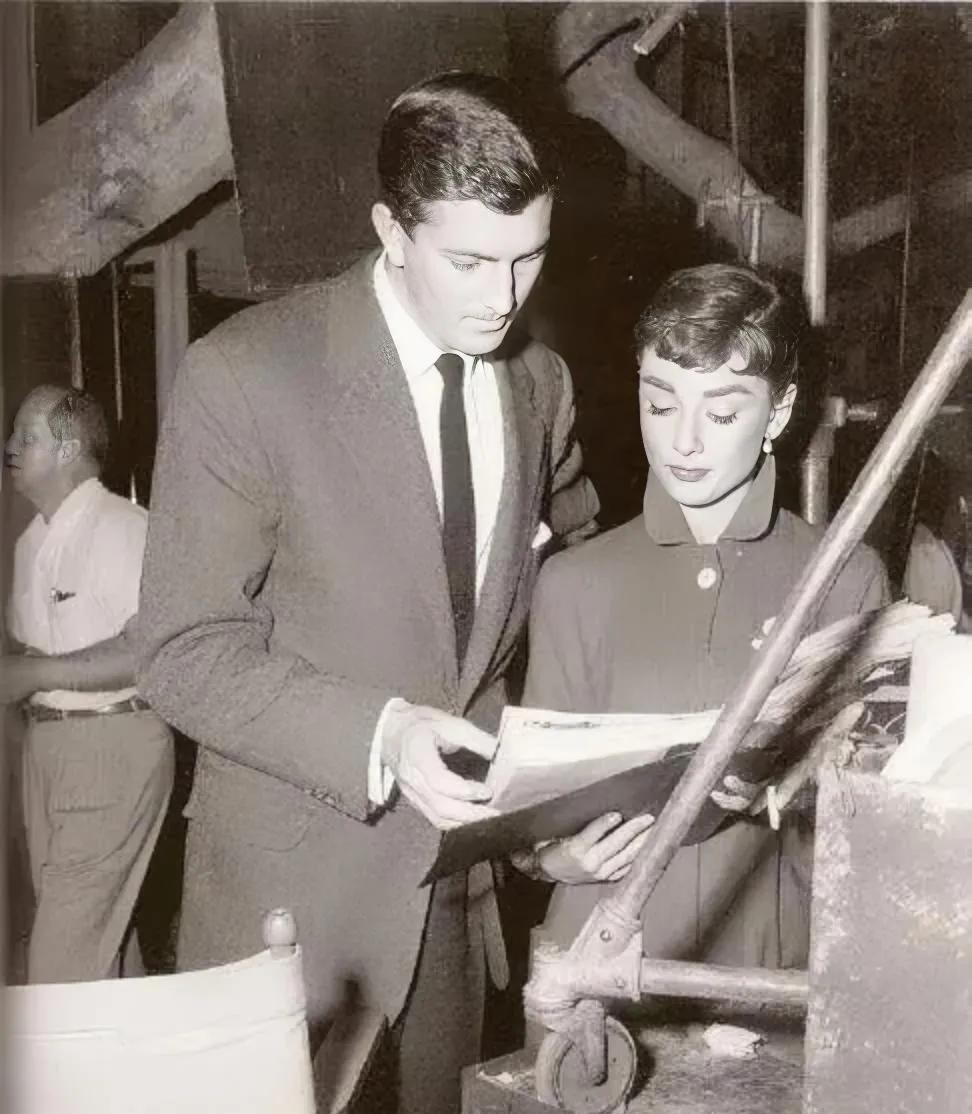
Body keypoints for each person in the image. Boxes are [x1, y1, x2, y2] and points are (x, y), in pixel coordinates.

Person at [137, 72, 598, 1113]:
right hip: (288, 911)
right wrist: (381, 732)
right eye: (469, 261)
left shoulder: (540, 385)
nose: (503, 296)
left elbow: (562, 558)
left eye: (529, 256)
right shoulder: (247, 374)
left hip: (453, 908)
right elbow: (179, 650)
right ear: (391, 230)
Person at [518, 263, 889, 970]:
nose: (684, 442)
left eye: (721, 414)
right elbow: (532, 808)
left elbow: (873, 824)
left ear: (778, 413)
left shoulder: (844, 578)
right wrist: (550, 859)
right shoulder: (573, 584)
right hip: (598, 964)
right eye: (661, 406)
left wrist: (791, 789)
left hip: (769, 970)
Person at [2, 385, 174, 983]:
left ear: (69, 449)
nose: (10, 447)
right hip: (48, 752)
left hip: (112, 743)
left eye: (26, 437)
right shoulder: (29, 543)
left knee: (59, 967)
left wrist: (32, 673)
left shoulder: (122, 528)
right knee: (103, 948)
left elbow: (151, 649)